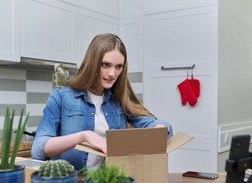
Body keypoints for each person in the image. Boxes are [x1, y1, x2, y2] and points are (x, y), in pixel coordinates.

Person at [31, 33, 173, 170]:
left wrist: (157, 130)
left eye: (119, 67)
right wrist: (84, 136)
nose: (112, 74)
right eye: (106, 65)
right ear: (92, 63)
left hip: (110, 182)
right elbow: (38, 148)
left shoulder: (120, 99)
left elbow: (164, 129)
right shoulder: (61, 96)